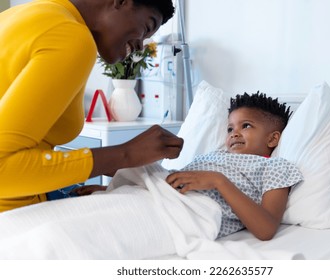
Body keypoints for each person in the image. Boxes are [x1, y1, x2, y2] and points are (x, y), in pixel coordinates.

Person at [0, 0, 183, 212]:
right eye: (147, 27)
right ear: (121, 2)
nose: (141, 45)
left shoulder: (23, 15)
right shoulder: (71, 37)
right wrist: (125, 154)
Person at [166, 92, 303, 240]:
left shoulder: (274, 166)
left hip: (190, 213)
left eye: (246, 126)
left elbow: (266, 229)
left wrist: (218, 181)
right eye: (230, 129)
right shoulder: (212, 155)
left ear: (272, 139)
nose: (234, 134)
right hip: (164, 192)